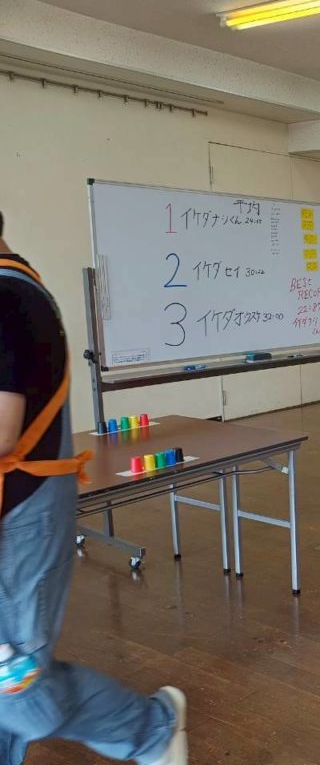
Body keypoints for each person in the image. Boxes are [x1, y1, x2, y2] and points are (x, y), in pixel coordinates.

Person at [0, 210, 188, 765]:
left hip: (22, 518)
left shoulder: (10, 299)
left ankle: (152, 728)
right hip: (19, 512)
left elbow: (3, 430)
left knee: (22, 693)